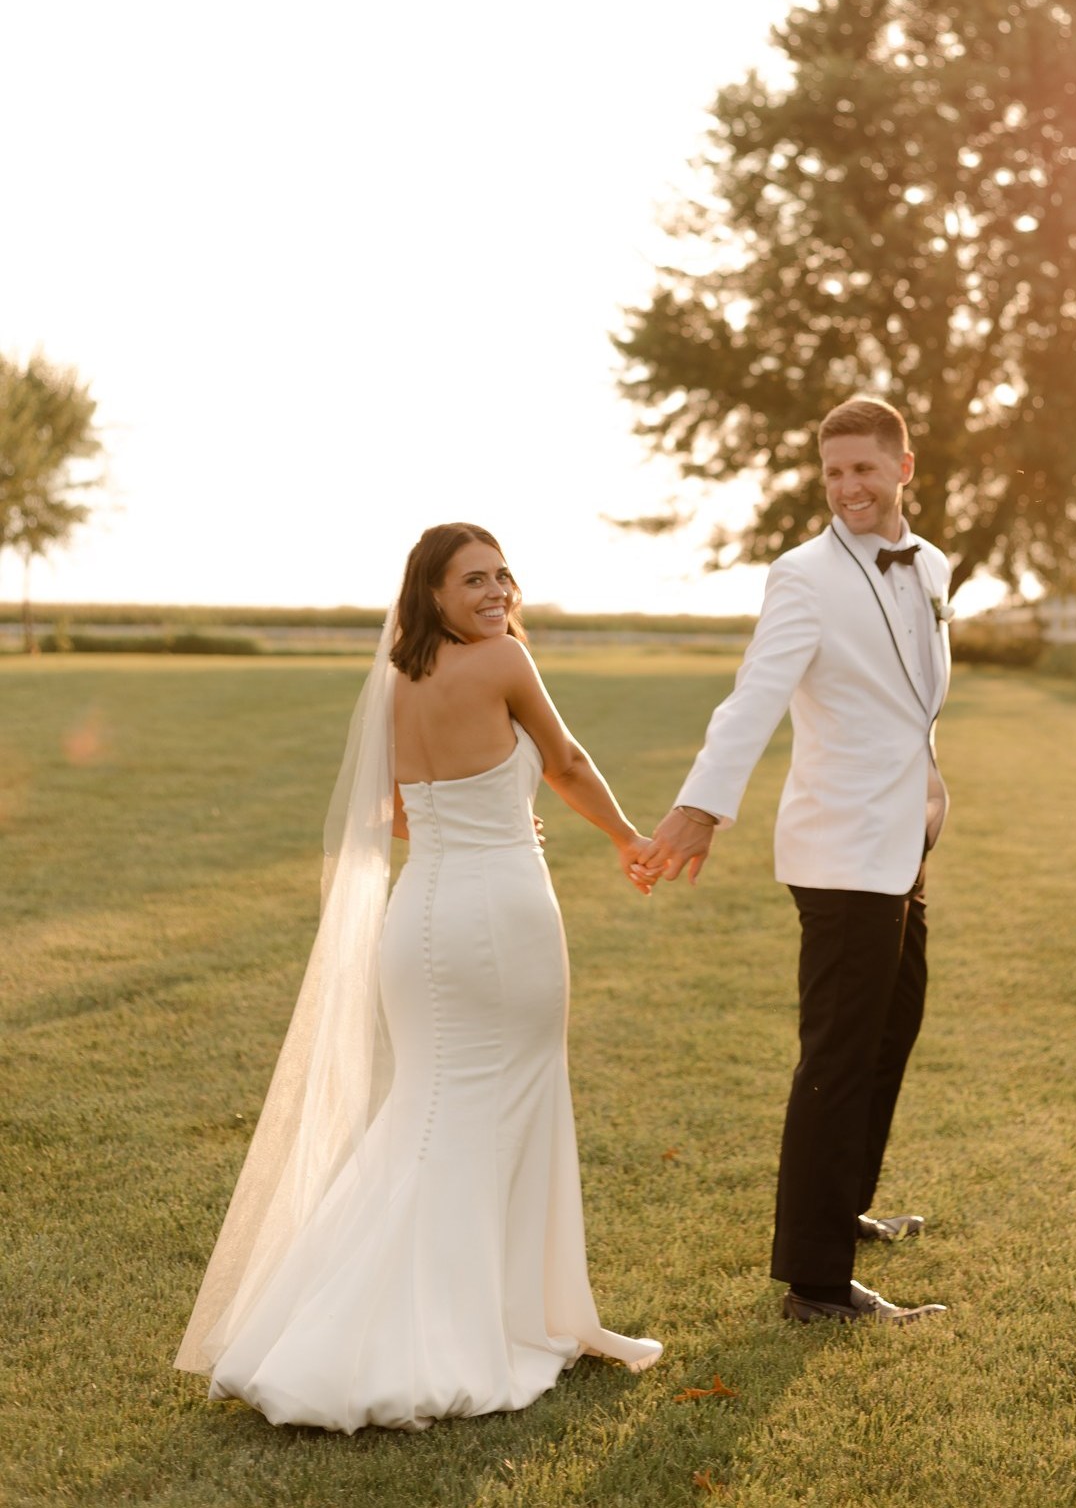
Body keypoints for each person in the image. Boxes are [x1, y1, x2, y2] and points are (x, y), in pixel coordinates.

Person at [176, 522, 661, 1430]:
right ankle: (475, 1325)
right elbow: (565, 761)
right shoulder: (504, 663)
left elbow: (388, 810)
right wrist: (629, 838)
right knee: (494, 1110)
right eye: (473, 581)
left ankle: (358, 1318)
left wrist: (468, 824)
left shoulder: (395, 681)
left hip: (422, 920)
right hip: (501, 918)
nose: (496, 594)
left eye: (503, 577)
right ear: (431, 593)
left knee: (430, 1115)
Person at [644, 396, 951, 1327]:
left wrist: (935, 778)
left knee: (891, 1031)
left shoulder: (931, 564)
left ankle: (840, 1208)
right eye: (832, 473)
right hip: (838, 851)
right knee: (838, 1056)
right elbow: (752, 700)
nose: (847, 487)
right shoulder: (802, 575)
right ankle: (814, 1283)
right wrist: (699, 808)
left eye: (864, 469)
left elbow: (912, 700)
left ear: (904, 468)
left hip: (903, 837)